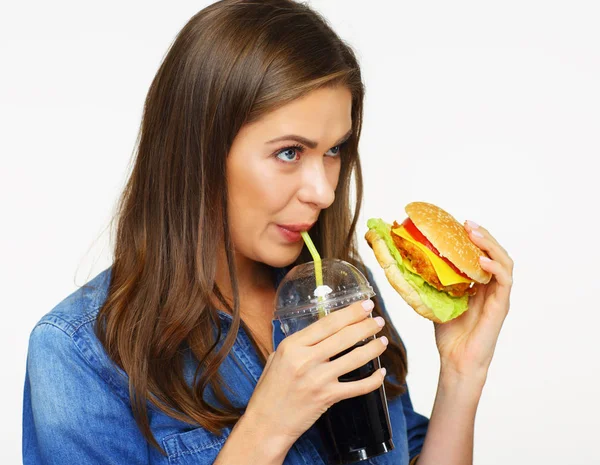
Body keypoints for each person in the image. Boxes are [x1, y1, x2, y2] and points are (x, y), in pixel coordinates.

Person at [22, 1, 513, 464]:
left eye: (334, 150)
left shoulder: (340, 294)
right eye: (289, 152)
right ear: (200, 153)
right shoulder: (79, 353)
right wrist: (266, 430)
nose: (322, 191)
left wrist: (461, 372)